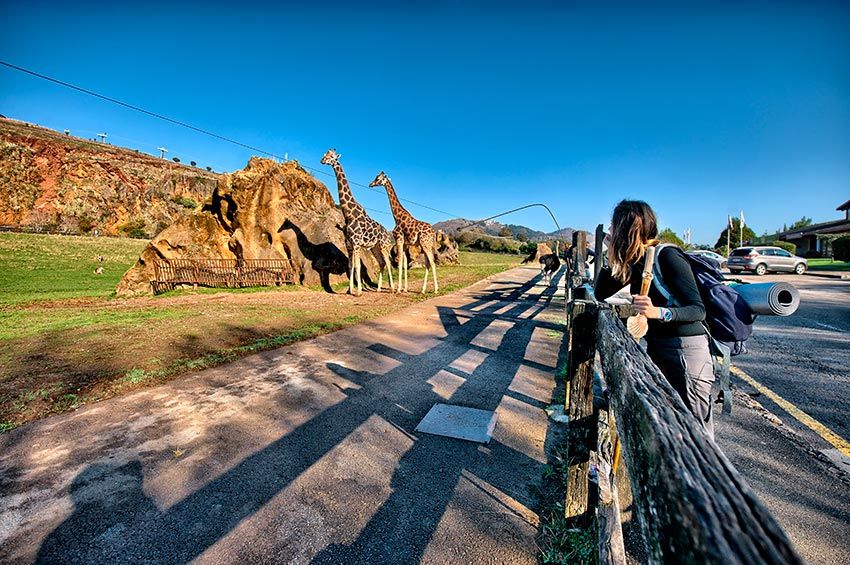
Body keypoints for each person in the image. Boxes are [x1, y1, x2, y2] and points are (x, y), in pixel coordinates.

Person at [594, 200, 715, 439]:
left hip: (686, 353)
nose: (610, 232)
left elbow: (698, 310)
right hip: (659, 348)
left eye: (613, 227)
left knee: (697, 432)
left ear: (627, 228)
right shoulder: (636, 261)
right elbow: (601, 293)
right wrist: (612, 256)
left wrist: (659, 312)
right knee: (669, 425)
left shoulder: (667, 256)